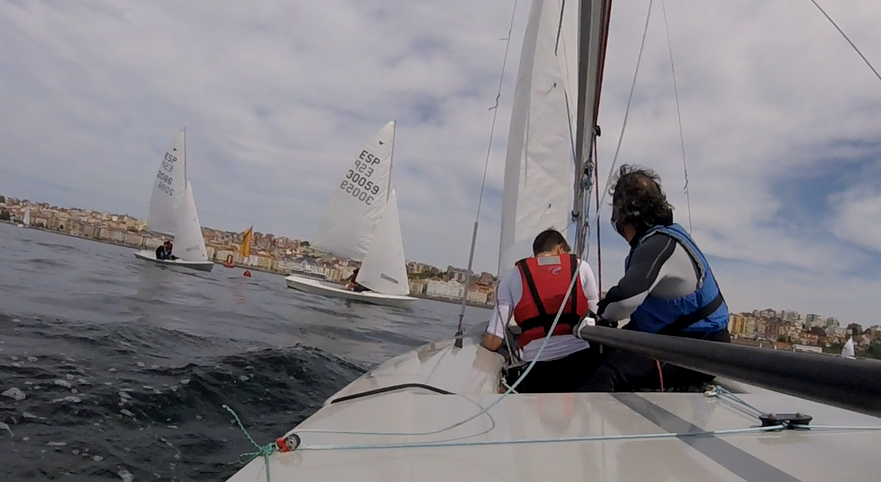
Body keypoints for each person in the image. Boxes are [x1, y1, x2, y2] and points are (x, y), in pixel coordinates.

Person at [575, 164, 730, 392]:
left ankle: (587, 417)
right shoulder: (662, 240)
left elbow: (623, 302)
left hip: (698, 351)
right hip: (679, 342)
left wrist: (600, 315)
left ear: (625, 217)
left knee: (606, 373)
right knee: (588, 359)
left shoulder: (658, 245)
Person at [483, 229, 601, 393]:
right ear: (560, 248)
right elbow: (596, 320)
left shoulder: (512, 276)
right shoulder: (582, 267)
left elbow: (493, 341)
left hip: (537, 370)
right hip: (580, 364)